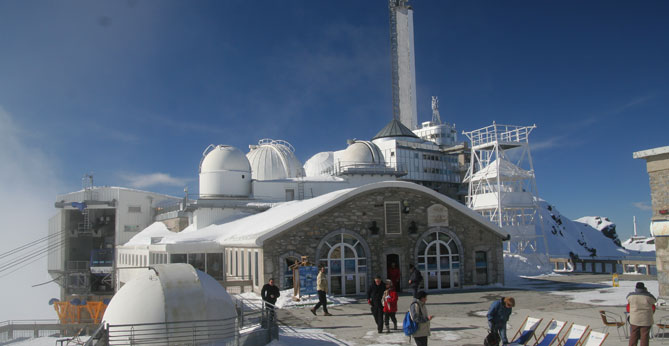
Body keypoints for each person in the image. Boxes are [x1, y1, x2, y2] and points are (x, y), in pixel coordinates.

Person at [627, 282, 656, 346]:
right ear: (644, 288)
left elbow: (627, 299)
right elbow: (654, 300)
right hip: (646, 319)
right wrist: (646, 292)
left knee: (633, 335)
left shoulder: (631, 296)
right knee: (644, 336)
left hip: (634, 319)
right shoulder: (648, 296)